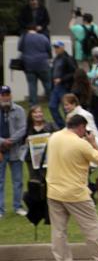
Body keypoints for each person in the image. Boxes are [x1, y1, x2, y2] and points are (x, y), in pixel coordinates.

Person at [46, 114, 98, 261]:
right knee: (91, 226)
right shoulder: (80, 144)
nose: (84, 132)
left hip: (53, 190)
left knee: (58, 230)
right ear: (80, 127)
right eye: (84, 129)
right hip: (75, 192)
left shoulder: (54, 137)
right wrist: (93, 142)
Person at [0, 86, 27, 219]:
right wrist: (2, 142)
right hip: (0, 151)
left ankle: (18, 206)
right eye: (3, 94)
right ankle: (0, 209)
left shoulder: (19, 110)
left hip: (15, 150)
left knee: (18, 180)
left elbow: (23, 128)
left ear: (11, 95)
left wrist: (11, 140)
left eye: (7, 94)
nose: (5, 97)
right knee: (0, 181)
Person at [18, 24, 52, 106]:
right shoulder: (43, 37)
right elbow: (49, 48)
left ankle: (33, 103)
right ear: (36, 29)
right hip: (42, 63)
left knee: (32, 84)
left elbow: (20, 48)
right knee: (47, 83)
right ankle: (52, 100)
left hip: (28, 64)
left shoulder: (24, 37)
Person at [49, 40, 77, 128]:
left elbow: (73, 72)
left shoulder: (68, 58)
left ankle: (70, 125)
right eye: (55, 48)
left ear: (62, 48)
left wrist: (62, 79)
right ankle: (61, 125)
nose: (56, 50)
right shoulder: (56, 59)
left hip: (64, 86)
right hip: (56, 87)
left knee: (66, 108)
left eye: (57, 47)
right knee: (52, 106)